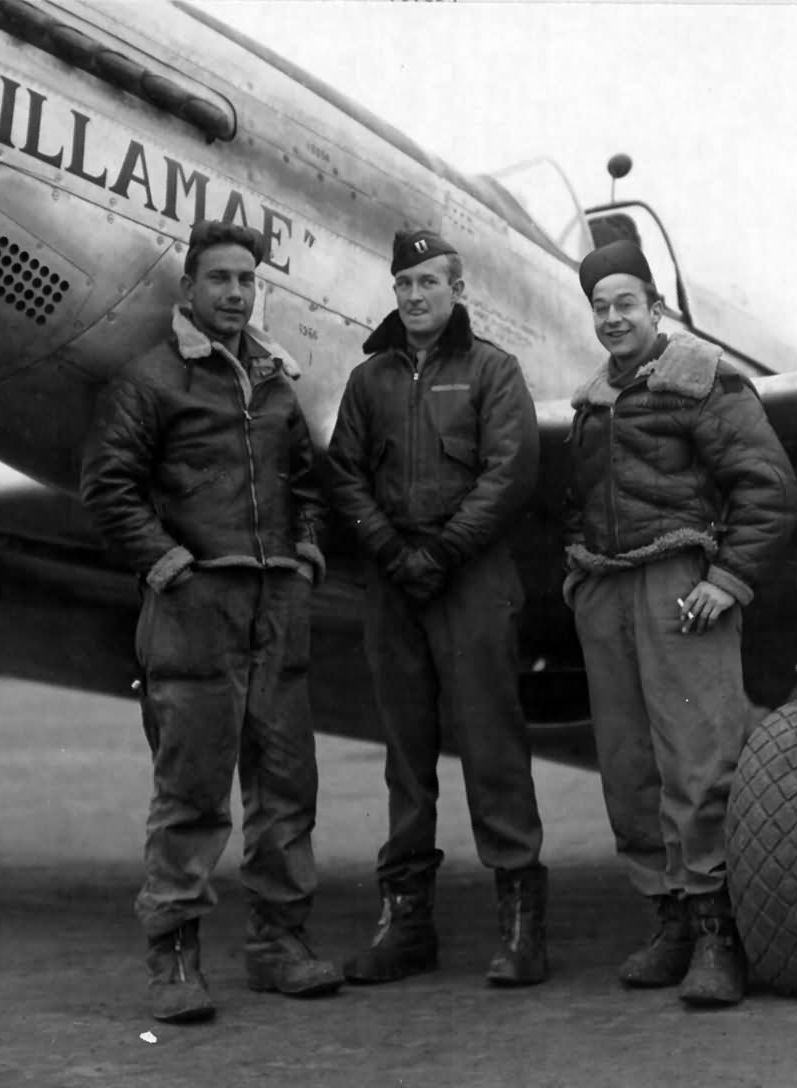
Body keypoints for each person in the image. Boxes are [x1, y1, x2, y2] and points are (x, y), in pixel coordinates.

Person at [80, 221, 342, 1023]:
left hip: (277, 608)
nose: (234, 293)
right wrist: (169, 568)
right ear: (188, 289)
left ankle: (279, 946)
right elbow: (107, 486)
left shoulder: (273, 386)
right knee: (191, 790)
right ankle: (176, 961)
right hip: (194, 609)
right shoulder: (150, 382)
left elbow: (308, 482)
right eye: (220, 279)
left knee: (286, 786)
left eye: (246, 281)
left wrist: (305, 555)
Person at [562, 239, 797, 1007]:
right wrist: (578, 580)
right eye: (600, 307)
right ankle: (667, 920)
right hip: (606, 589)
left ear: (656, 309)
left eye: (626, 304)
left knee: (699, 763)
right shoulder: (592, 400)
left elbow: (769, 488)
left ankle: (717, 936)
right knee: (629, 767)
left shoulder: (702, 380)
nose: (612, 319)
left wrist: (727, 579)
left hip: (677, 588)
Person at [325, 229, 549, 987]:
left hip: (471, 578)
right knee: (405, 754)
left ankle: (521, 929)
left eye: (428, 283)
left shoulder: (494, 371)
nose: (415, 297)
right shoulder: (370, 381)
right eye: (404, 285)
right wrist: (393, 554)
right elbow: (345, 473)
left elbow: (510, 472)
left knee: (493, 748)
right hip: (395, 583)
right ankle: (406, 925)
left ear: (458, 290)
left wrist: (443, 553)